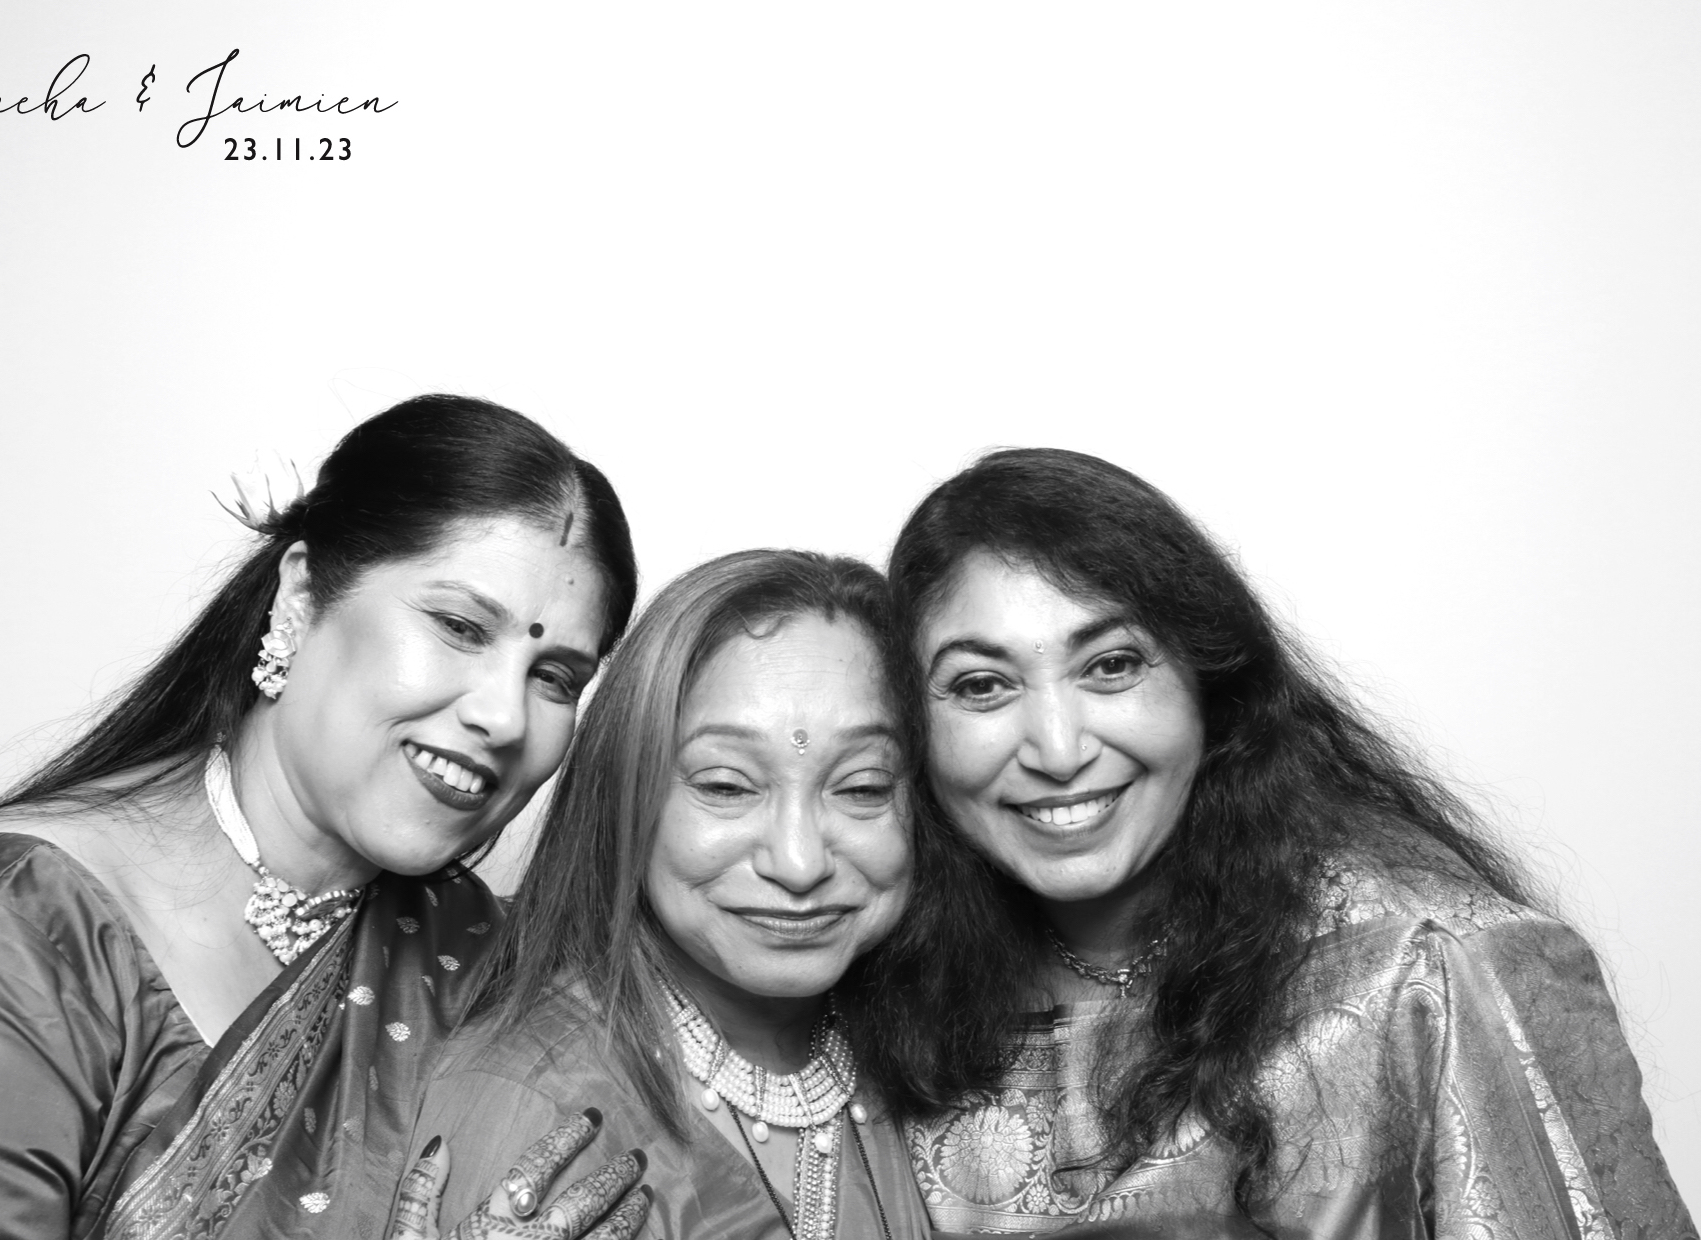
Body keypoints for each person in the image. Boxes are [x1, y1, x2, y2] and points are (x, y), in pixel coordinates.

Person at [0, 395, 647, 1240]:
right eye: (459, 626)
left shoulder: (487, 963)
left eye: (555, 678)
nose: (504, 717)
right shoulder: (6, 939)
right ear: (302, 594)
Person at [882, 449, 1695, 1237]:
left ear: (1210, 686)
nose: (1059, 751)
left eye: (1113, 665)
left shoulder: (1433, 965)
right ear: (908, 729)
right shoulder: (887, 991)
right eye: (980, 685)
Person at [383, 550, 939, 1240]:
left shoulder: (942, 1064)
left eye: (862, 787)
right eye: (726, 786)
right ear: (625, 797)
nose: (799, 865)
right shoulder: (539, 1112)